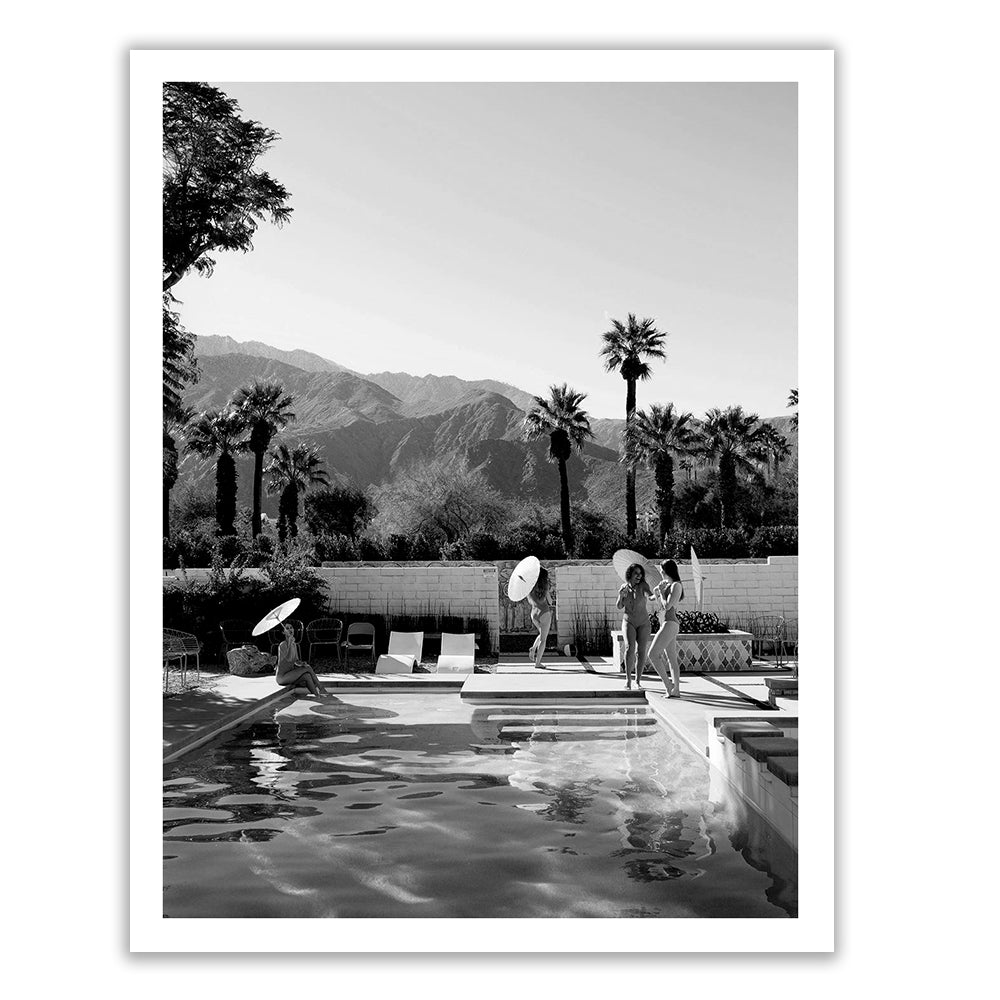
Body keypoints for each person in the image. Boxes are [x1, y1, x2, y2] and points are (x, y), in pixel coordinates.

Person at [647, 559, 684, 697]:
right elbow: (658, 604)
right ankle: (676, 690)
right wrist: (656, 592)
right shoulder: (668, 585)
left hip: (670, 623)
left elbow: (667, 606)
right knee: (671, 658)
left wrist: (661, 593)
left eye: (662, 569)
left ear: (667, 570)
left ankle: (669, 685)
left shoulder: (676, 586)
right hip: (666, 623)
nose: (660, 572)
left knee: (653, 654)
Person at [617, 563, 653, 690]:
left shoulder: (644, 586)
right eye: (636, 573)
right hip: (629, 621)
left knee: (641, 651)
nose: (639, 576)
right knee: (629, 648)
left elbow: (651, 596)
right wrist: (621, 596)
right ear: (630, 574)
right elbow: (619, 606)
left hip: (643, 622)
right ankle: (628, 680)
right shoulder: (624, 587)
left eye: (640, 573)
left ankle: (638, 680)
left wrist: (657, 593)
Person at [274, 621, 328, 697]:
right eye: (287, 628)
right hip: (282, 677)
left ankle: (317, 696)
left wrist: (302, 663)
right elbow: (288, 659)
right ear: (283, 632)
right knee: (308, 668)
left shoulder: (294, 645)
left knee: (307, 676)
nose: (290, 630)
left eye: (291, 628)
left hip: (290, 674)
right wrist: (289, 642)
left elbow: (296, 661)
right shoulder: (282, 645)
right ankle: (321, 688)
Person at [527, 567, 552, 669]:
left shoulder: (530, 586)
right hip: (544, 613)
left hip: (534, 613)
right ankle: (538, 663)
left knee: (542, 633)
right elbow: (550, 602)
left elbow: (529, 600)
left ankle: (533, 649)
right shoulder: (545, 587)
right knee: (543, 640)